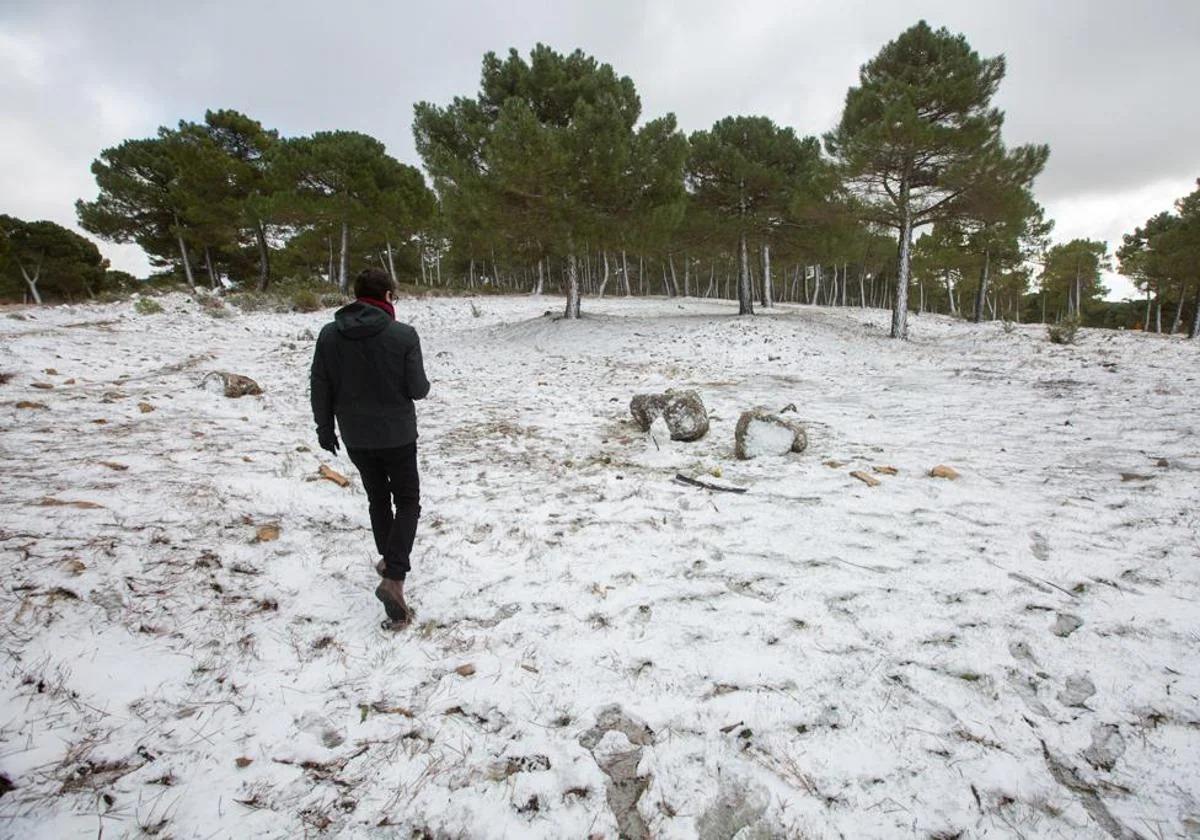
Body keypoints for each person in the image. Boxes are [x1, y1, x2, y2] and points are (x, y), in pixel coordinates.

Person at [310, 267, 430, 629]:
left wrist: (324, 426)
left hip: (356, 436)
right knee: (407, 501)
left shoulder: (330, 335)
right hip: (397, 434)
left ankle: (388, 562)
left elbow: (320, 384)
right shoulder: (403, 335)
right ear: (388, 296)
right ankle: (394, 577)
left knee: (378, 498)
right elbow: (418, 389)